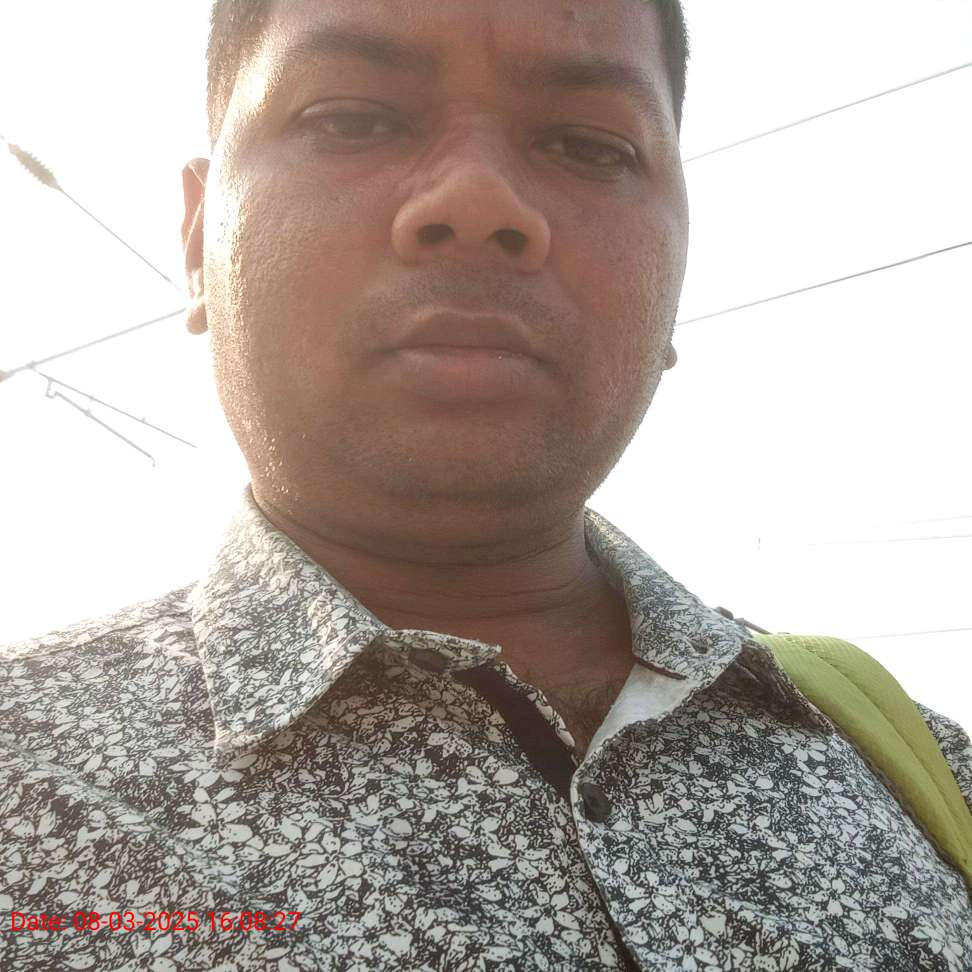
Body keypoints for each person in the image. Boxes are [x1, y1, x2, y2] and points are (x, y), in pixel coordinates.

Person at [1, 0, 970, 968]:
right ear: (197, 239)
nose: (476, 201)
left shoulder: (924, 774)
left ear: (678, 269)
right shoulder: (24, 769)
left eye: (588, 145)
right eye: (351, 118)